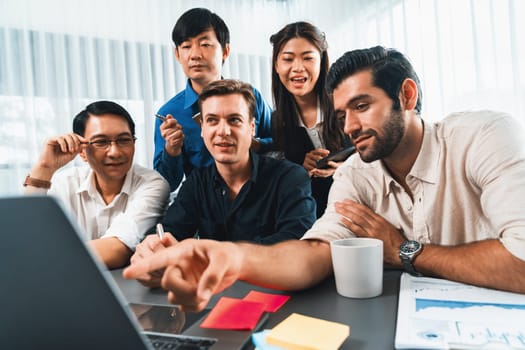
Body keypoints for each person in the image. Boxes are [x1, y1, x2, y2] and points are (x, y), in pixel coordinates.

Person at [124, 46, 525, 310]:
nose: (349, 127)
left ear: (406, 95)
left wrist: (406, 251)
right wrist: (233, 256)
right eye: (340, 115)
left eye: (362, 106)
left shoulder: (485, 136)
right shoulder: (354, 174)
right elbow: (314, 253)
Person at [131, 79, 316, 287]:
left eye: (234, 120)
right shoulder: (197, 183)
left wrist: (213, 256)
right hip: (215, 298)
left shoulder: (290, 178)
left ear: (252, 127)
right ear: (202, 129)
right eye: (212, 120)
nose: (223, 131)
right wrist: (152, 248)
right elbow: (169, 230)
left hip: (279, 294)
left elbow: (295, 244)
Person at [24, 101, 170, 269]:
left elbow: (117, 249)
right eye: (101, 142)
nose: (115, 152)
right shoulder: (64, 183)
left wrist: (40, 256)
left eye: (123, 140)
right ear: (82, 151)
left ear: (134, 144)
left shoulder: (153, 184)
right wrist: (44, 168)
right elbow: (29, 235)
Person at [154, 7, 273, 192]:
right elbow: (165, 185)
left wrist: (253, 143)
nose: (195, 55)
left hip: (257, 197)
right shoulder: (169, 113)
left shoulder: (250, 97)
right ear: (177, 54)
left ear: (225, 51)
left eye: (205, 44)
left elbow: (279, 145)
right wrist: (172, 149)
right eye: (186, 46)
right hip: (204, 208)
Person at [270, 21, 352, 218]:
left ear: (321, 61)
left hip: (360, 204)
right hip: (318, 218)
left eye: (307, 58)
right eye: (288, 59)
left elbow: (378, 156)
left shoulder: (344, 103)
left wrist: (346, 168)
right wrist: (302, 167)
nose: (297, 68)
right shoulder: (277, 120)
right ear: (276, 65)